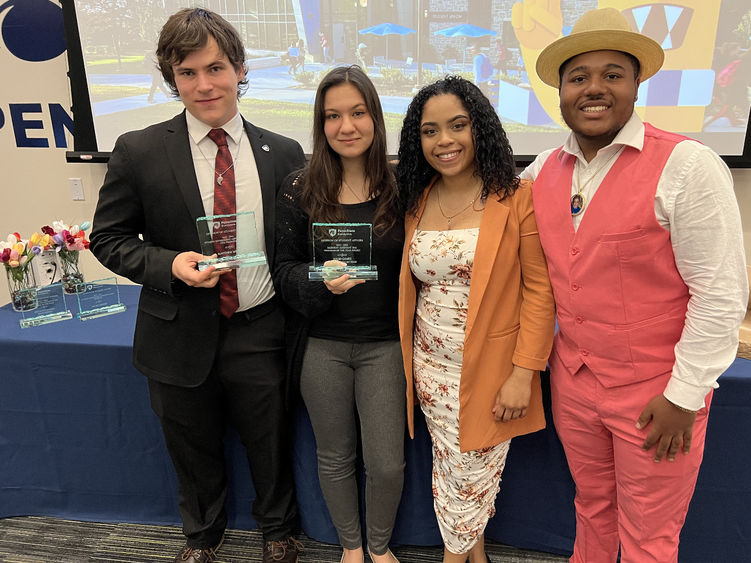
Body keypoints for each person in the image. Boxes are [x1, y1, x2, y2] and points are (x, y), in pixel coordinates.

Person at [521, 8, 748, 562]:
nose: (593, 89)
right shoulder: (539, 171)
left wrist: (683, 397)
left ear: (636, 83)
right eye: (578, 77)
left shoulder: (689, 166)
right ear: (560, 91)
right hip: (574, 384)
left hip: (657, 392)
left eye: (612, 74)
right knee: (591, 510)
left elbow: (720, 296)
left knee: (649, 537)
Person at [89, 8, 306, 563]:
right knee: (190, 446)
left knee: (270, 442)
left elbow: (297, 243)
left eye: (215, 68)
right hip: (177, 328)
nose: (204, 84)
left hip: (261, 325)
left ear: (238, 68)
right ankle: (202, 537)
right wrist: (168, 264)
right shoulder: (138, 150)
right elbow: (109, 238)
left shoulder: (282, 152)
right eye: (187, 73)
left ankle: (279, 531)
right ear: (172, 78)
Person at [396, 76, 555, 563]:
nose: (444, 141)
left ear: (479, 128)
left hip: (492, 370)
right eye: (430, 131)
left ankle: (455, 556)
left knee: (469, 472)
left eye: (457, 126)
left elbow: (539, 291)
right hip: (430, 369)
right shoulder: (417, 199)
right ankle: (477, 553)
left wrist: (523, 374)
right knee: (452, 465)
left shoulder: (515, 196)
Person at [274, 65, 405, 563]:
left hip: (386, 346)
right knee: (334, 456)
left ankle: (379, 545)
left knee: (387, 463)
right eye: (333, 116)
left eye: (357, 112)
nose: (346, 126)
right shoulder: (298, 188)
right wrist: (319, 280)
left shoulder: (404, 186)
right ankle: (352, 549)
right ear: (320, 123)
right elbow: (283, 271)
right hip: (321, 346)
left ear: (375, 117)